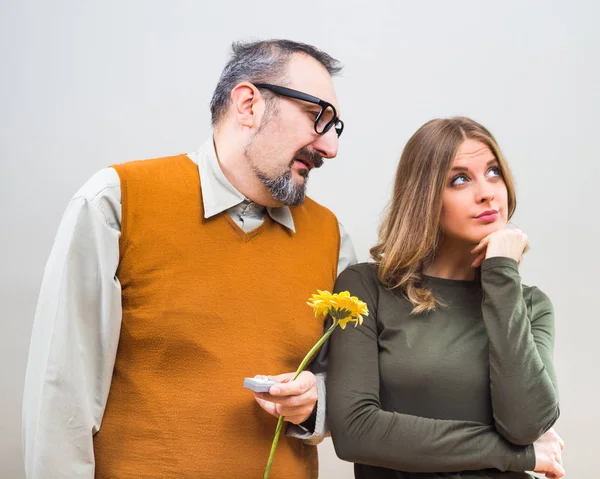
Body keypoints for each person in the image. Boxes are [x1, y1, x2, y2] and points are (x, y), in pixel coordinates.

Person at [22, 39, 357, 478]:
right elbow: (60, 395)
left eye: (335, 127)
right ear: (248, 104)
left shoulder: (332, 238)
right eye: (317, 118)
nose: (329, 148)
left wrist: (315, 403)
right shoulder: (117, 201)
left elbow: (349, 389)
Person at [326, 117, 564, 478]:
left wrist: (501, 275)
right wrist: (519, 456)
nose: (487, 192)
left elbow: (526, 425)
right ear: (425, 198)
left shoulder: (529, 304)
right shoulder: (365, 287)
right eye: (460, 179)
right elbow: (355, 432)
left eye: (493, 172)